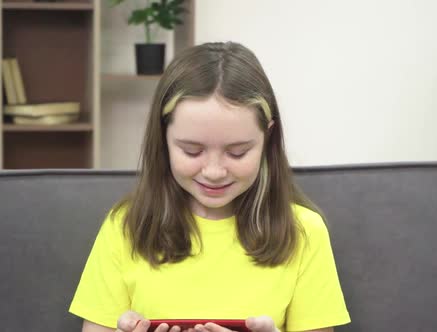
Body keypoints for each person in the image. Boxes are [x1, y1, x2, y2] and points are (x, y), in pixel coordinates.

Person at [69, 41, 351, 332]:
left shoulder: (304, 232)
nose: (214, 172)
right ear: (163, 140)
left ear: (267, 138)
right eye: (192, 151)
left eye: (237, 152)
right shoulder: (126, 226)